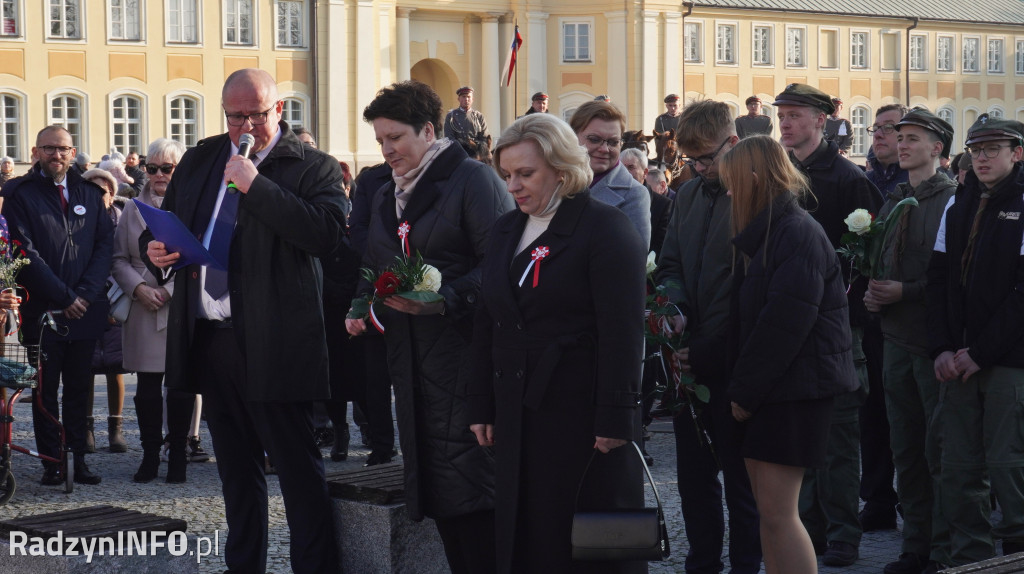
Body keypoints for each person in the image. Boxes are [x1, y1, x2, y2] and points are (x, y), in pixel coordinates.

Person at [143, 68, 345, 573]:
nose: (246, 126)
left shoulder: (312, 165)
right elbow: (174, 226)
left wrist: (258, 186)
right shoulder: (202, 157)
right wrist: (158, 253)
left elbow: (325, 236)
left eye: (257, 113)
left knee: (298, 475)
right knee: (236, 476)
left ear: (279, 110)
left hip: (277, 342)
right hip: (212, 340)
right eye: (236, 116)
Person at [469, 112, 647, 573]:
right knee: (526, 536)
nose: (512, 186)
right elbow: (488, 321)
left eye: (525, 174)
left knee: (590, 542)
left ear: (563, 170)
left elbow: (624, 331)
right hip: (517, 409)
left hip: (583, 415)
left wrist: (617, 415)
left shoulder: (606, 229)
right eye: (506, 175)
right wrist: (481, 405)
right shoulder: (507, 230)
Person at [345, 80, 511, 573]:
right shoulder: (386, 194)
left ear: (428, 130)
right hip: (412, 365)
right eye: (379, 140)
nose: (387, 149)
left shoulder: (474, 181)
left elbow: (501, 268)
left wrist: (446, 299)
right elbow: (375, 264)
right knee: (442, 497)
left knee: (477, 498)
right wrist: (361, 305)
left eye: (395, 137)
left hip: (466, 362)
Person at [722, 134, 858, 574]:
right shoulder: (771, 232)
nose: (728, 192)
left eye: (733, 181)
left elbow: (784, 326)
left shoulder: (796, 232)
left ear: (757, 179)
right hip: (776, 389)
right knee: (771, 513)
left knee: (781, 514)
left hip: (795, 391)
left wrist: (744, 392)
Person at [774, 82, 883, 567]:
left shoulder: (845, 178)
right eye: (783, 114)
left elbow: (866, 256)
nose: (786, 122)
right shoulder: (781, 172)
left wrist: (845, 314)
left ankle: (843, 532)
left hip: (836, 325)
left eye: (795, 114)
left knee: (838, 436)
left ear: (822, 120)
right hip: (790, 321)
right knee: (800, 432)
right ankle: (809, 527)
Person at [656, 99, 762, 574]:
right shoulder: (690, 196)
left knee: (742, 481)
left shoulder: (756, 197)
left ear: (733, 144)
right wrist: (674, 308)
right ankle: (701, 563)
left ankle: (745, 564)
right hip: (687, 358)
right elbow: (671, 262)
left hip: (733, 358)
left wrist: (711, 345)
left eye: (706, 159)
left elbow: (753, 290)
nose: (698, 169)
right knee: (694, 479)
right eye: (691, 161)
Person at [926, 115, 1024, 567]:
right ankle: (971, 560)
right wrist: (943, 347)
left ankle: (1017, 556)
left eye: (993, 149)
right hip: (959, 357)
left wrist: (980, 353)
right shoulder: (959, 202)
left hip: (1009, 362)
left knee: (1009, 466)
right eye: (975, 150)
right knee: (960, 468)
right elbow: (940, 279)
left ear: (1016, 154)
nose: (981, 158)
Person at [864, 108, 956, 574]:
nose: (901, 144)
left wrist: (906, 291)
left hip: (930, 343)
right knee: (905, 448)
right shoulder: (896, 195)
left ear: (938, 148)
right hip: (895, 338)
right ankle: (914, 544)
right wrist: (875, 291)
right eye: (899, 137)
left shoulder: (951, 200)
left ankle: (941, 548)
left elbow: (954, 279)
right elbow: (881, 258)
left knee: (937, 449)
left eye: (912, 138)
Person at [3, 125, 114, 486]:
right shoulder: (19, 193)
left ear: (73, 151)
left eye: (62, 149)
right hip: (44, 310)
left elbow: (103, 248)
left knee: (80, 388)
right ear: (36, 152)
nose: (56, 155)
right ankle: (53, 461)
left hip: (86, 307)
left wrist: (84, 295)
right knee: (45, 390)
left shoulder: (90, 193)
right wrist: (65, 298)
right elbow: (25, 253)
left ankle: (78, 460)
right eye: (49, 149)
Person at [111, 138, 198, 483]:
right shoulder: (132, 208)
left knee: (180, 387)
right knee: (146, 390)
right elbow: (118, 258)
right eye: (152, 168)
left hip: (178, 307)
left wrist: (168, 290)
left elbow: (198, 261)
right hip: (142, 306)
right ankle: (149, 455)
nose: (159, 175)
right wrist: (138, 288)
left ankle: (177, 453)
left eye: (167, 168)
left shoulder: (192, 206)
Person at [857, 104, 909, 534]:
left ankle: (915, 499)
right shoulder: (867, 180)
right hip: (870, 312)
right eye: (876, 128)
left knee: (907, 413)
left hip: (909, 316)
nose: (879, 135)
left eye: (890, 129)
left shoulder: (920, 182)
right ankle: (877, 499)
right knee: (872, 410)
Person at [81, 168, 128, 454]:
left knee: (115, 366)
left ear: (112, 195)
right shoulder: (75, 222)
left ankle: (116, 429)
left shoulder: (122, 223)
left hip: (115, 298)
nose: (100, 197)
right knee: (84, 366)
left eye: (105, 192)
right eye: (93, 192)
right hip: (86, 299)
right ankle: (86, 428)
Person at [569, 101, 651, 247]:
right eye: (594, 139)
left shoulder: (634, 194)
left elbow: (632, 260)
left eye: (613, 142)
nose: (605, 149)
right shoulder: (555, 182)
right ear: (573, 137)